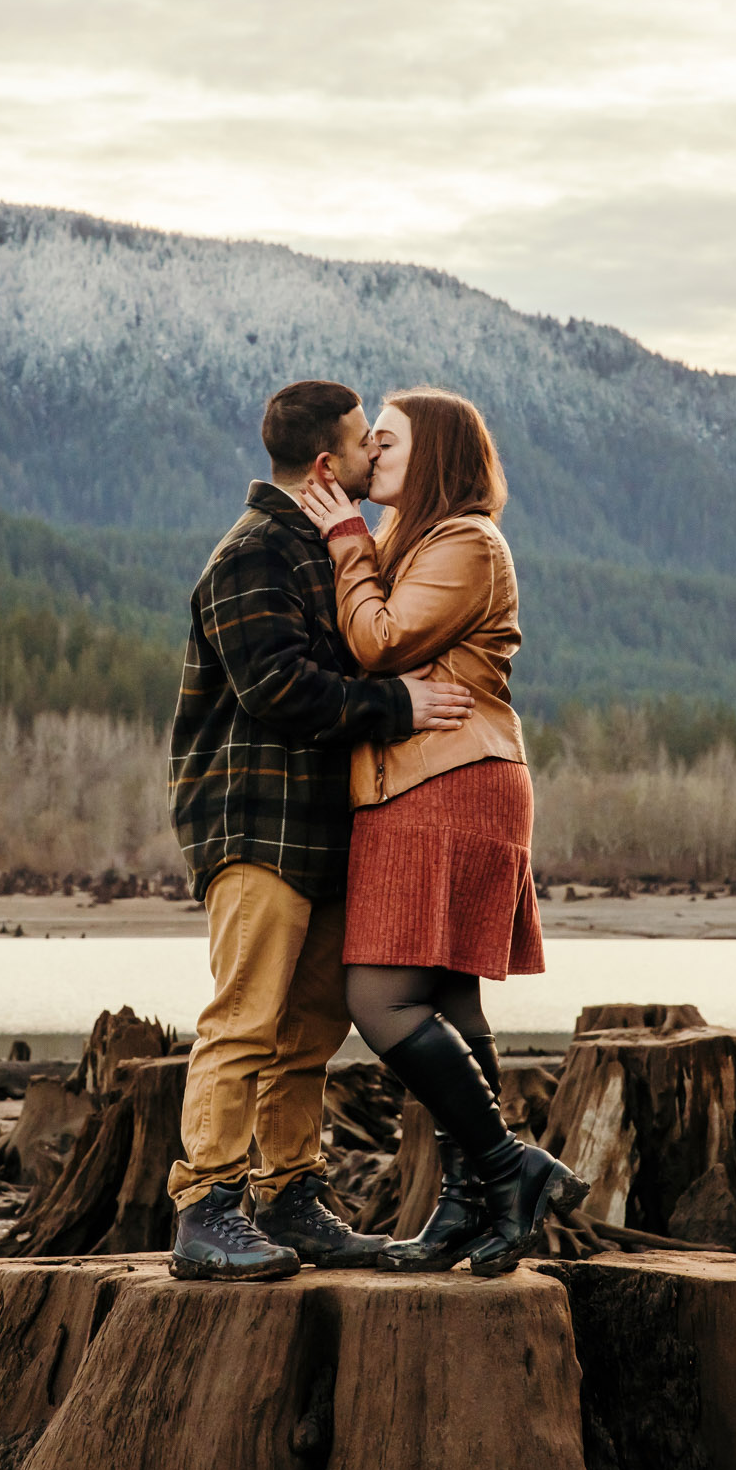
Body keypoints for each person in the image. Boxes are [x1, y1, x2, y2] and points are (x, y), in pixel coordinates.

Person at [166, 379, 477, 1282]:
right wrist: (400, 704)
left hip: (330, 831)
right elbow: (280, 690)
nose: (377, 457)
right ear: (324, 465)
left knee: (308, 1027)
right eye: (364, 446)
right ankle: (206, 1206)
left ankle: (288, 1194)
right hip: (254, 824)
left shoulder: (332, 549)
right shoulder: (251, 554)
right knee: (244, 1017)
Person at [294, 386, 586, 1277]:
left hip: (446, 781)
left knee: (376, 997)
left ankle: (506, 1167)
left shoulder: (465, 541)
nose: (370, 449)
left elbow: (376, 641)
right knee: (453, 1003)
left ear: (439, 457)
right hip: (433, 780)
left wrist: (345, 542)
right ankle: (469, 1202)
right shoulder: (412, 541)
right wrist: (360, 545)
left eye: (388, 439)